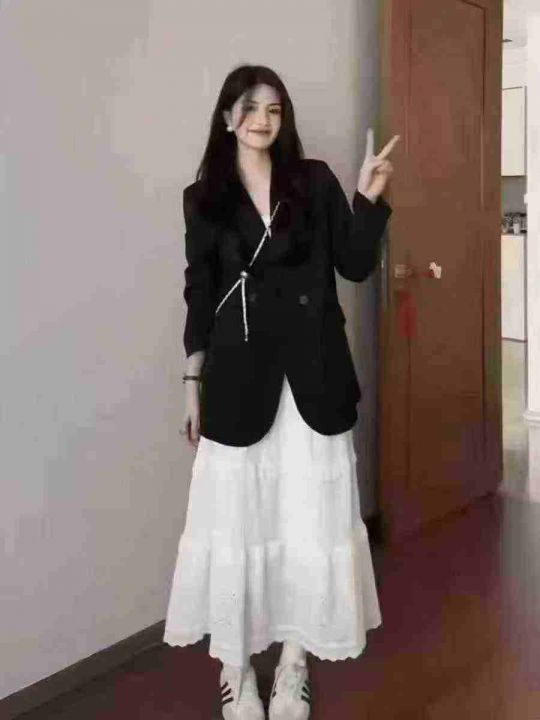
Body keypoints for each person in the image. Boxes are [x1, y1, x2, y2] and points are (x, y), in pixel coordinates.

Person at [163, 64, 399, 720]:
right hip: (240, 378)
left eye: (273, 108)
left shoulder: (314, 181)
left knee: (308, 519)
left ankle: (294, 661)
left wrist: (368, 197)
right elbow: (200, 293)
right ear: (226, 117)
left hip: (314, 374)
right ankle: (236, 665)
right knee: (239, 521)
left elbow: (353, 264)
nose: (262, 119)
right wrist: (191, 383)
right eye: (249, 107)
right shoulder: (203, 198)